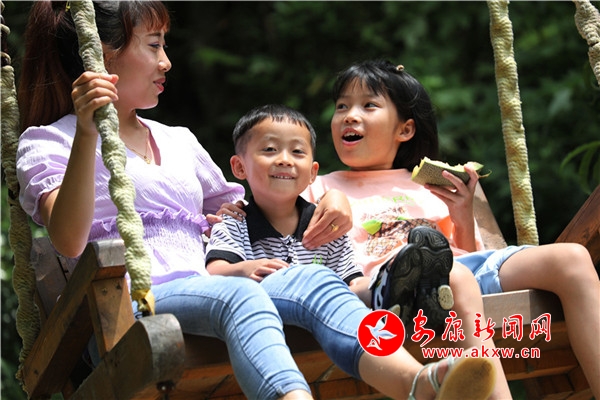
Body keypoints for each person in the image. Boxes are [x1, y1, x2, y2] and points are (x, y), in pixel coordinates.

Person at [15, 3, 339, 399]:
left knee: (316, 282)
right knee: (241, 295)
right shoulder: (50, 141)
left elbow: (254, 209)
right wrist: (87, 132)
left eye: (164, 46)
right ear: (102, 55)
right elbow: (68, 241)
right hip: (133, 306)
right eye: (153, 45)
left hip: (207, 292)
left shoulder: (179, 140)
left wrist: (331, 196)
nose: (166, 62)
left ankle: (405, 375)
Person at [299, 59, 599, 399]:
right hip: (392, 286)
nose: (349, 116)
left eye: (368, 105)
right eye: (342, 106)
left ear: (405, 130)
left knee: (572, 258)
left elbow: (473, 259)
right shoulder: (318, 186)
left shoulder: (433, 181)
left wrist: (462, 216)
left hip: (459, 272)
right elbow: (286, 241)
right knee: (451, 274)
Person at [206, 103, 497, 400]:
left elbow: (351, 280)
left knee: (355, 289)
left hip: (329, 314)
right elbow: (215, 270)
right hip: (267, 312)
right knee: (325, 285)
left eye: (297, 152)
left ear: (312, 172)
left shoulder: (324, 225)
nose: (284, 160)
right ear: (239, 167)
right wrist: (243, 269)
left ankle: (396, 285)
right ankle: (398, 294)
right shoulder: (236, 222)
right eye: (269, 150)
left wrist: (372, 286)